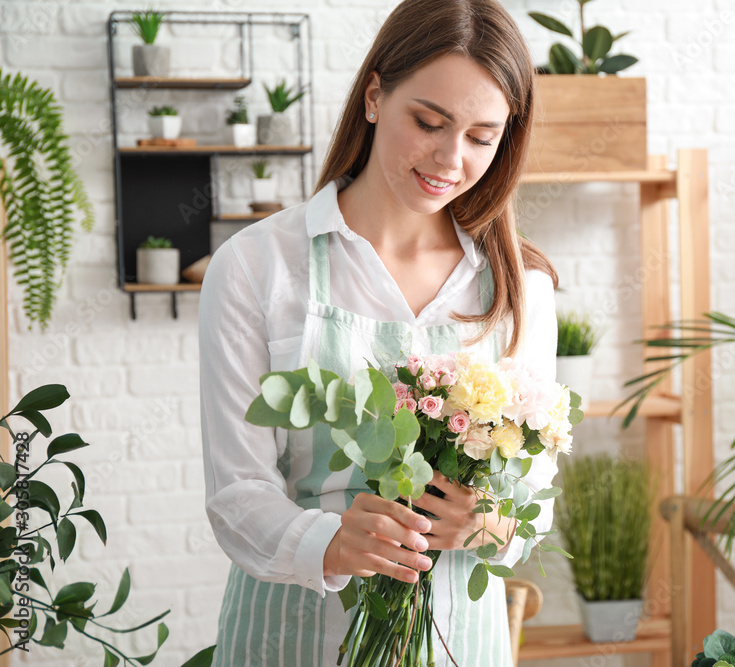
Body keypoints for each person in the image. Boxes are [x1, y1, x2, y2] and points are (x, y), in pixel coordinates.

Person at [198, 0, 559, 664]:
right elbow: (235, 494)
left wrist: (486, 524)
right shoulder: (257, 267)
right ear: (373, 95)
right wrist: (331, 541)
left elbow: (532, 500)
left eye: (483, 136)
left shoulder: (518, 289)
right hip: (291, 642)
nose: (451, 158)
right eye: (429, 122)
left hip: (460, 643)